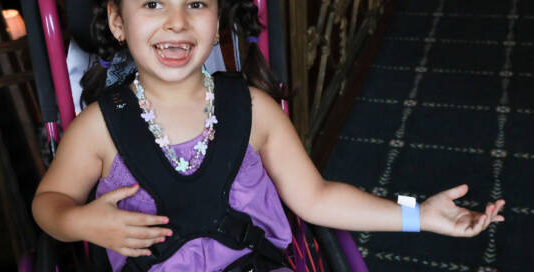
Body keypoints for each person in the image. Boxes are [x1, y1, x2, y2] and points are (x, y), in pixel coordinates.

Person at [31, 0, 506, 271]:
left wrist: (417, 215)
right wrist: (79, 224)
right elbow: (49, 202)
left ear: (217, 22)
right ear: (117, 21)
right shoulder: (99, 127)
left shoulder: (253, 110)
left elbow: (316, 197)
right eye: (153, 3)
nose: (176, 21)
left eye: (196, 3)